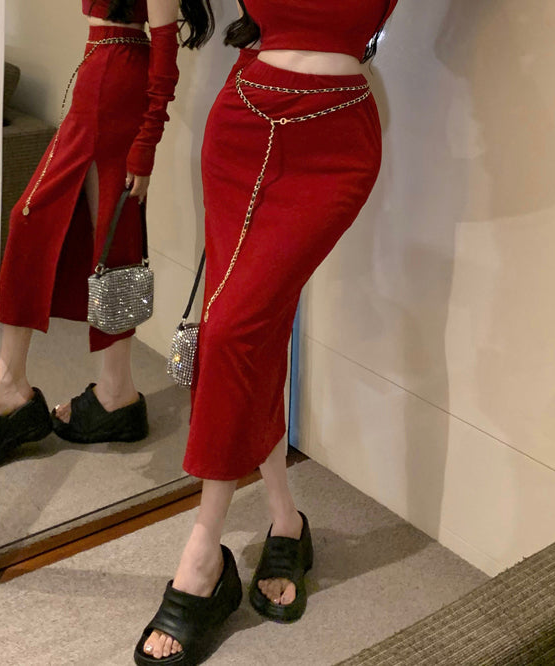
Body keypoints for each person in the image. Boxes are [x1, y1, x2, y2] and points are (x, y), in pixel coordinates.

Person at [133, 0, 399, 663]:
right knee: (252, 334)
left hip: (334, 139)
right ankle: (284, 521)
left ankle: (204, 554)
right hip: (243, 122)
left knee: (231, 331)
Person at [0, 0, 214, 464]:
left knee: (91, 234)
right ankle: (110, 389)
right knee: (101, 240)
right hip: (99, 73)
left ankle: (28, 387)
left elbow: (165, 49)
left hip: (117, 83)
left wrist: (146, 145)